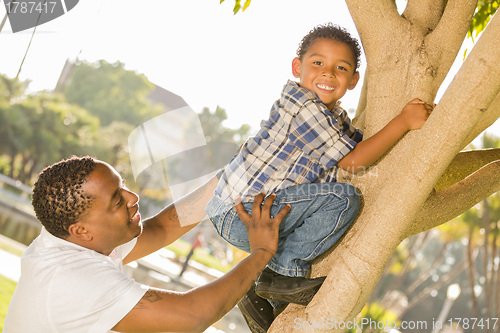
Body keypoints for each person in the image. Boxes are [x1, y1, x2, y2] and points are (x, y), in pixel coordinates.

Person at [205, 23, 433, 332]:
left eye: (340, 68)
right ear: (297, 67)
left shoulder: (334, 120)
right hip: (244, 212)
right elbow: (353, 161)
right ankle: (281, 276)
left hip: (254, 213)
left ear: (353, 80)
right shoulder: (302, 105)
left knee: (332, 196)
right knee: (343, 198)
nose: (328, 74)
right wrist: (404, 121)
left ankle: (258, 293)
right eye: (318, 63)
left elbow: (362, 144)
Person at [3, 156, 290, 333]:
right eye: (117, 199)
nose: (132, 197)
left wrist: (236, 174)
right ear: (82, 231)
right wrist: (262, 252)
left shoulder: (75, 238)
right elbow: (193, 315)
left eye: (123, 184)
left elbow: (164, 227)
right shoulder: (69, 280)